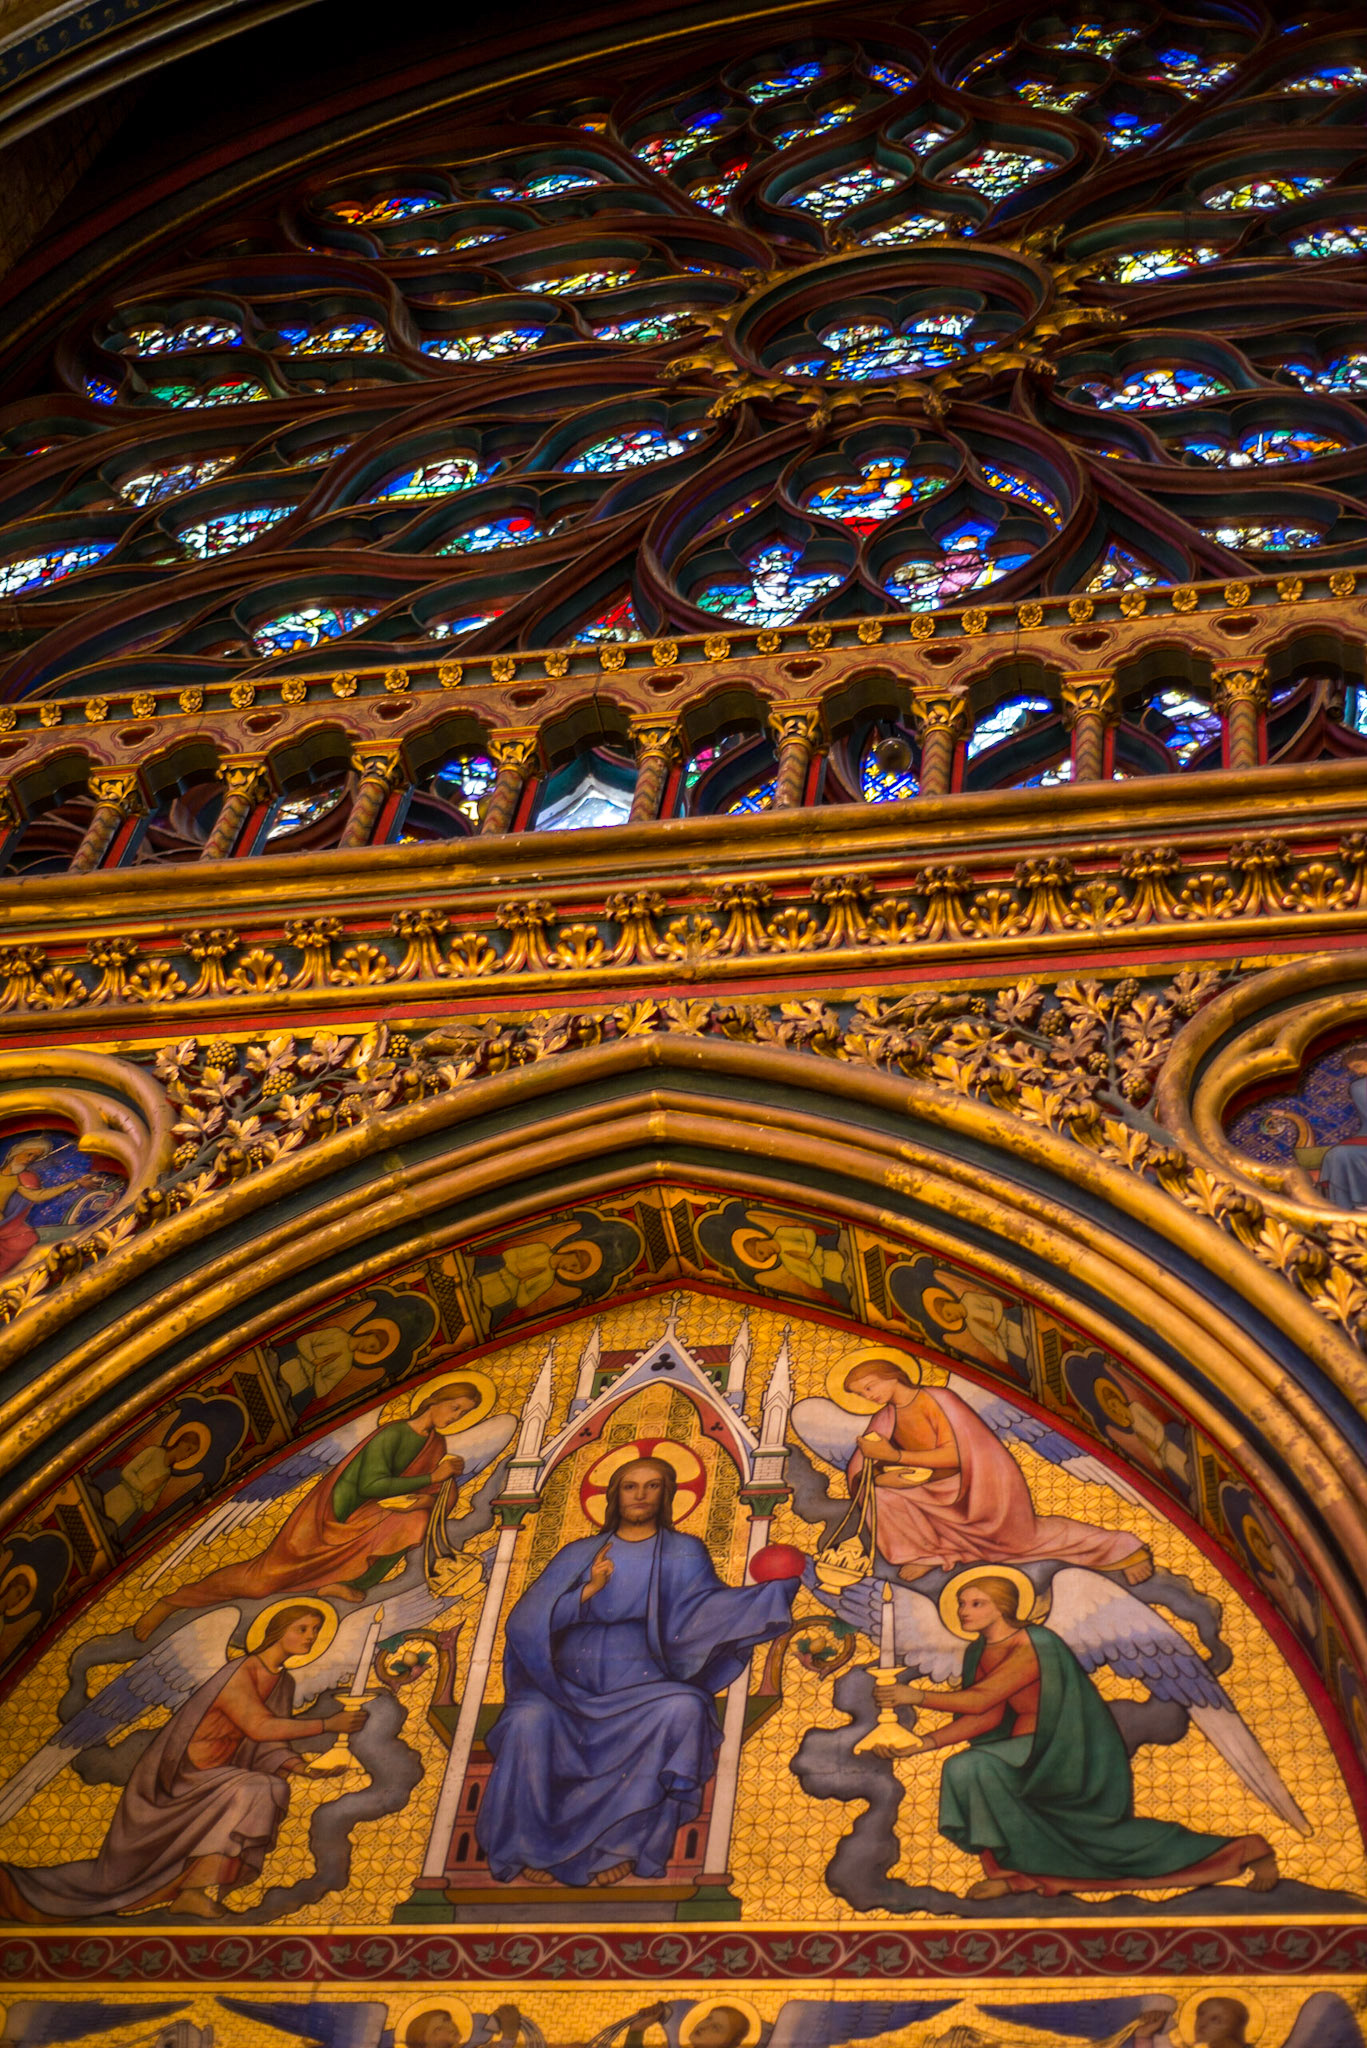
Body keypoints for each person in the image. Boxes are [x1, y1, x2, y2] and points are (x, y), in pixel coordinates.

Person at [477, 1454, 801, 1888]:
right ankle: (528, 1845)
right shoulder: (577, 1553)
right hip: (563, 1685)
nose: (641, 1495)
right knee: (524, 1719)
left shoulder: (684, 1550)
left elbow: (703, 1610)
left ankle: (622, 1845)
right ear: (614, 1495)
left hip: (641, 1678)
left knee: (684, 1708)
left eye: (652, 1486)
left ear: (667, 1495)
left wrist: (770, 1595)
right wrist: (586, 1592)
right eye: (631, 1486)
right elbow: (526, 1621)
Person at [874, 1574, 1276, 1900]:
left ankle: (1248, 1850)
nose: (964, 1611)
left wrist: (917, 1696)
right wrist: (923, 1744)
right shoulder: (979, 1651)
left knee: (978, 1769)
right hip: (1022, 1750)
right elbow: (988, 1717)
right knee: (967, 1766)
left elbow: (982, 1699)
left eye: (976, 1603)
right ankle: (1012, 1873)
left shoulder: (1035, 1643)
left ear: (1004, 1606)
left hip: (1067, 1752)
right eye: (962, 1603)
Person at [0, 1604, 364, 1922]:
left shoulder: (281, 1683)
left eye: (315, 1630)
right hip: (180, 1777)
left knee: (271, 1784)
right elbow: (259, 1726)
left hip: (221, 1774)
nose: (311, 1637)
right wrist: (327, 1724)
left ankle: (193, 1892)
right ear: (277, 1632)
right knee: (258, 1787)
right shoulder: (242, 1672)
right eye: (302, 1629)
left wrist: (303, 1768)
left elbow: (267, 1746)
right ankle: (189, 1892)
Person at [134, 1385, 481, 1640]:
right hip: (333, 1517)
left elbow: (425, 1492)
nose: (456, 1417)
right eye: (454, 1408)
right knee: (260, 1582)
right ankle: (171, 1602)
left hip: (374, 1519)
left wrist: (437, 1490)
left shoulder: (436, 1445)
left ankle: (343, 1582)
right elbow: (371, 1485)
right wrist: (431, 1478)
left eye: (463, 1413)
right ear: (433, 1400)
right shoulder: (392, 1435)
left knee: (418, 1523)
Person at [844, 1358, 1151, 1584]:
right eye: (861, 1394)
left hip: (974, 1493)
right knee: (879, 1493)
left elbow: (959, 1455)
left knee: (1030, 1540)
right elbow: (864, 1465)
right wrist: (879, 1476)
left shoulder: (937, 1400)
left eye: (870, 1387)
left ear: (893, 1375)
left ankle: (1125, 1548)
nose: (868, 1396)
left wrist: (896, 1455)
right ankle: (927, 1553)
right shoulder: (885, 1417)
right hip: (926, 1493)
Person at [0, 1137, 103, 1279]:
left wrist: (75, 1183)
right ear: (14, 1153)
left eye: (36, 1157)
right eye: (28, 1154)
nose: (30, 1159)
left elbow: (38, 1195)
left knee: (25, 1240)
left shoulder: (21, 1179)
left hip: (6, 1230)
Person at [1318, 1049, 1367, 1207]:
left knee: (1340, 1154)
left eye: (1358, 1066)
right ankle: (1343, 1211)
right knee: (1337, 1155)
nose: (1357, 1073)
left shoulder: (1360, 1087)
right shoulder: (1358, 1087)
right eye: (1353, 1070)